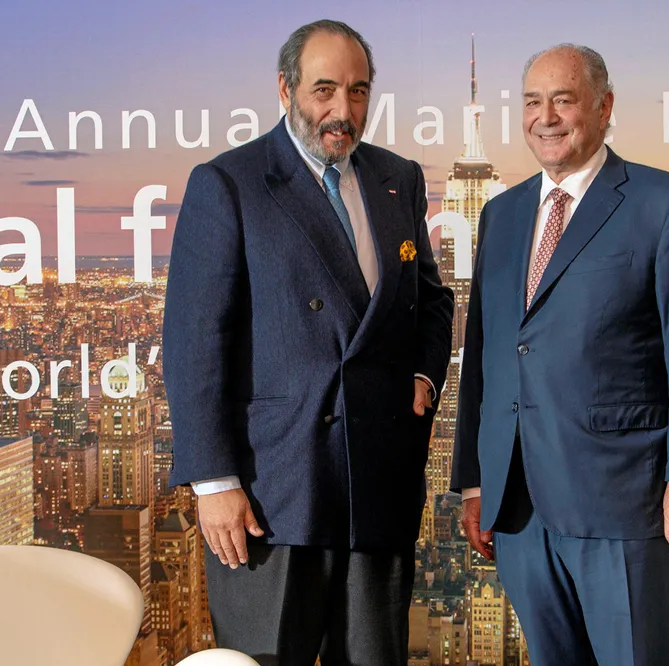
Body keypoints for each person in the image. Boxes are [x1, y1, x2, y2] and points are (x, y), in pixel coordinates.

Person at [163, 19, 454, 666]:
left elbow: (431, 299)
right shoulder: (230, 183)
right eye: (325, 90)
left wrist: (424, 375)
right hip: (271, 497)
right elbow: (193, 342)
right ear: (285, 88)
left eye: (358, 90)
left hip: (377, 485)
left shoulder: (399, 178)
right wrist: (213, 482)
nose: (342, 110)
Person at [450, 43, 669, 665]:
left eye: (563, 100)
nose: (545, 117)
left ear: (604, 108)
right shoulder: (501, 214)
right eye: (532, 102)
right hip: (519, 510)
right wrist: (474, 480)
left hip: (628, 504)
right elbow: (486, 354)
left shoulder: (664, 202)